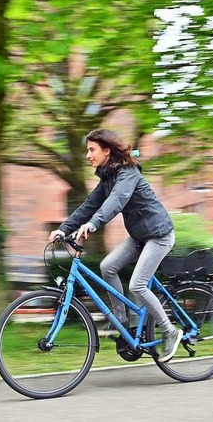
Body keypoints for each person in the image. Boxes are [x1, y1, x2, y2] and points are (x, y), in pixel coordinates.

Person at [47, 128, 181, 363]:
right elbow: (89, 205)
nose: (88, 155)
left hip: (159, 235)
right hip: (139, 236)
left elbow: (117, 200)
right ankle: (122, 322)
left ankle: (169, 332)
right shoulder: (108, 177)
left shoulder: (128, 173)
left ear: (106, 150)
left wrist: (93, 224)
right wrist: (64, 228)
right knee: (107, 267)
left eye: (92, 150)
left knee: (137, 286)